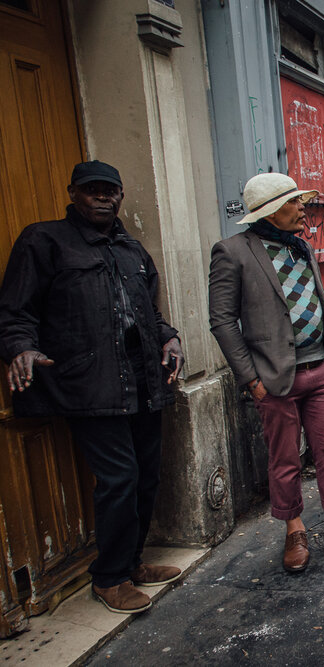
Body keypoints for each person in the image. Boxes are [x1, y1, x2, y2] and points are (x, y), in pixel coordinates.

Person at [0, 161, 185, 614]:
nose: (103, 197)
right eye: (92, 190)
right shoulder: (43, 241)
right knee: (119, 479)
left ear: (121, 195)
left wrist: (170, 336)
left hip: (143, 383)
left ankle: (134, 561)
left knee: (146, 476)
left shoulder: (132, 250)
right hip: (90, 385)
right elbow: (15, 311)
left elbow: (151, 314)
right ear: (73, 194)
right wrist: (19, 347)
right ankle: (109, 578)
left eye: (111, 190)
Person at [208, 172, 324, 575]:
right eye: (294, 203)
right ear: (269, 211)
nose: (303, 208)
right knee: (284, 460)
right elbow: (222, 321)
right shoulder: (231, 252)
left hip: (322, 369)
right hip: (274, 379)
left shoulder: (300, 245)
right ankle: (294, 532)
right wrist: (252, 379)